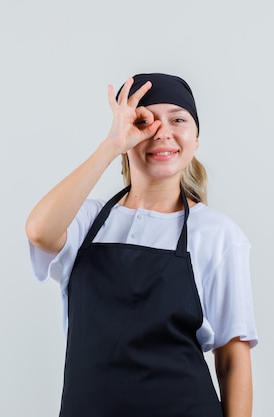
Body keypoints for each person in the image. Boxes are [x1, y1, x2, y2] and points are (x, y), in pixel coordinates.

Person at [25, 73, 258, 417]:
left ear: (195, 138)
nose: (162, 132)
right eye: (144, 120)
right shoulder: (86, 220)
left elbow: (233, 361)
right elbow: (39, 231)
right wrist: (110, 146)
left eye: (178, 120)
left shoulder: (217, 234)